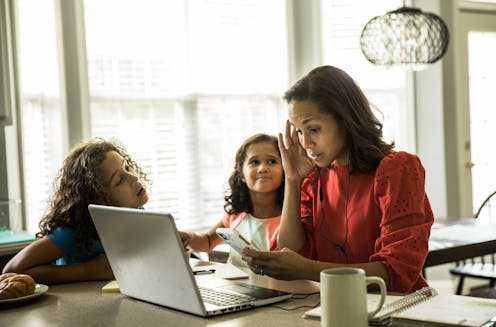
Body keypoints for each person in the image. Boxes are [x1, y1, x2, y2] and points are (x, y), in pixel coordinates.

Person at [241, 66, 434, 294]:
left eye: (313, 129)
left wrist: (309, 270)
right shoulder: (313, 178)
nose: (305, 143)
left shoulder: (396, 169)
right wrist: (293, 180)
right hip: (334, 304)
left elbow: (397, 271)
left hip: (395, 308)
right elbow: (289, 250)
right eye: (299, 132)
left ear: (345, 119)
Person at [2, 138, 149, 285]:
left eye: (128, 167)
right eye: (119, 180)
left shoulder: (138, 214)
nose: (134, 177)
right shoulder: (76, 232)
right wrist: (88, 270)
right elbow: (12, 270)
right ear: (99, 200)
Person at [179, 133, 284, 268]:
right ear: (241, 174)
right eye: (254, 162)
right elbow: (208, 242)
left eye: (272, 161)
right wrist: (189, 236)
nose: (262, 168)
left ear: (285, 171)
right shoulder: (235, 213)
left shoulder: (291, 219)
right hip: (235, 287)